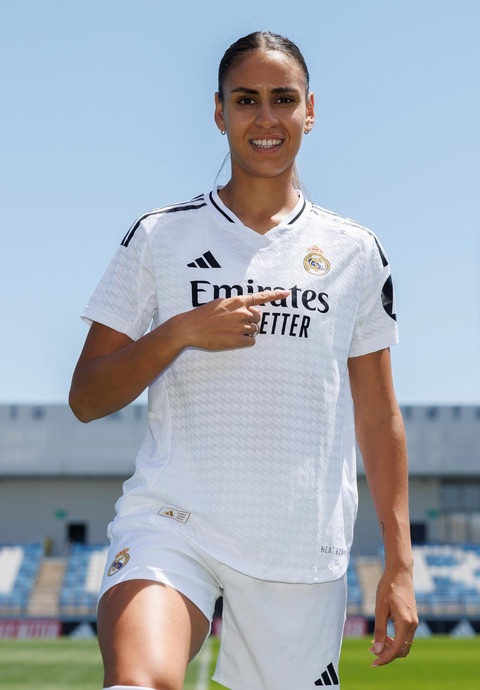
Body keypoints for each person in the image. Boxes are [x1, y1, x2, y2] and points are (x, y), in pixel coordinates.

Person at [69, 30, 418, 690]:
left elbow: (378, 417)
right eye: (246, 99)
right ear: (219, 111)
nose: (265, 118)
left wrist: (399, 562)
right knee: (138, 681)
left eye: (282, 99)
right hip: (174, 525)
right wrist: (179, 332)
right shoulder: (161, 236)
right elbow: (86, 397)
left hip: (298, 550)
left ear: (309, 111)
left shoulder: (355, 251)